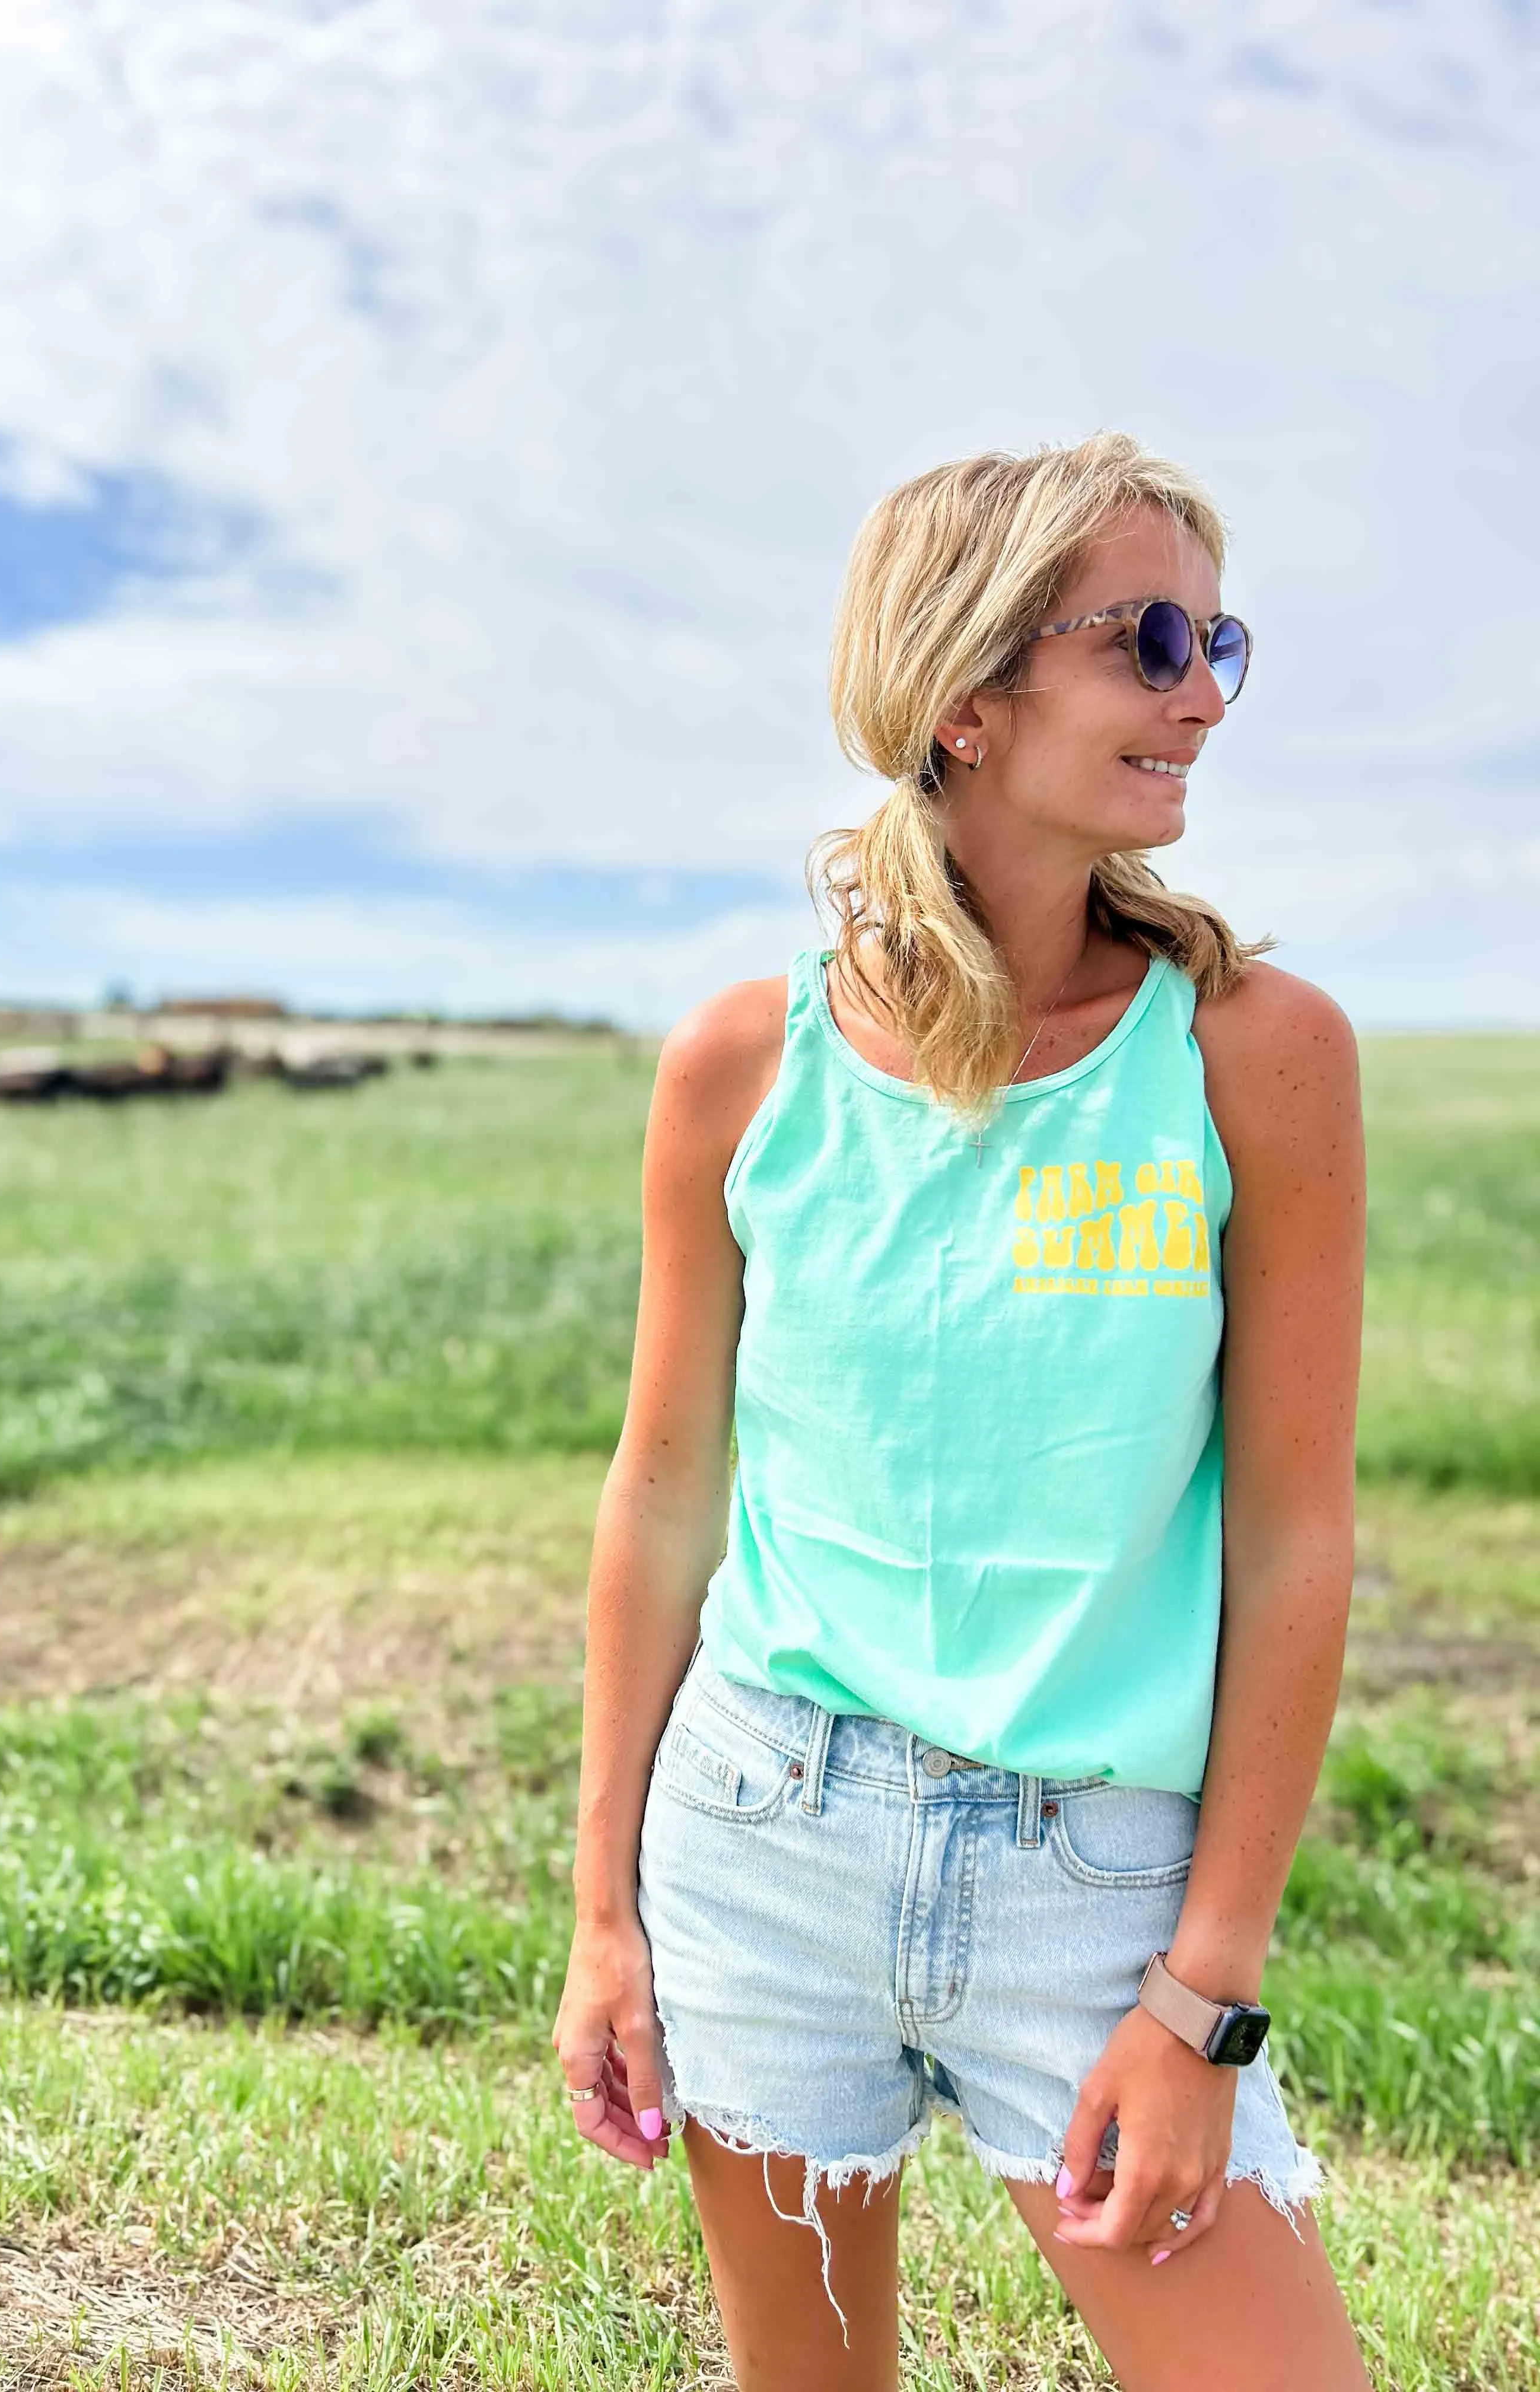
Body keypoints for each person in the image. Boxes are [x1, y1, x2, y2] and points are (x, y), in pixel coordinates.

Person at [552, 431, 1370, 2391]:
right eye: (1150, 637)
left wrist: (1206, 2004)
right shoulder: (743, 1065)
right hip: (759, 1837)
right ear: (966, 696)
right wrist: (602, 1913)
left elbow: (1297, 1544)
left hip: (1097, 1894)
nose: (1203, 691)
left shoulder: (1258, 1057)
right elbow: (664, 1501)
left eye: (1216, 640)